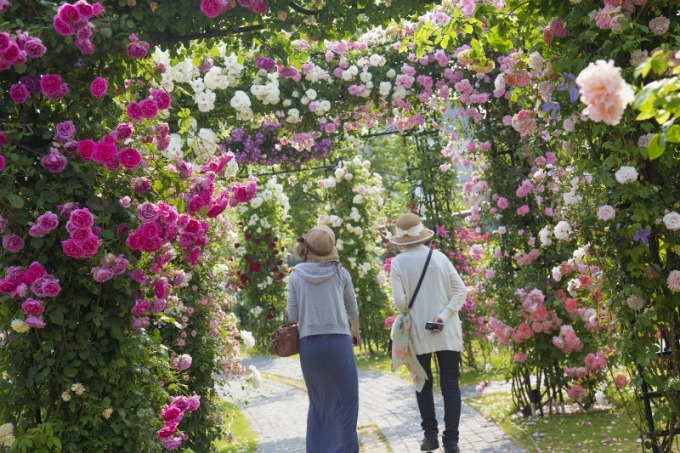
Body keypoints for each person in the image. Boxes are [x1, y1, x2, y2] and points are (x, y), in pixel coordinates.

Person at [389, 213, 468, 453]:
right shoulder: (440, 258)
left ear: (401, 239)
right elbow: (461, 291)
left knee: (422, 383)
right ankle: (452, 442)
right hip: (446, 331)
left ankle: (430, 436)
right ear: (421, 233)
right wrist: (443, 315)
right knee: (450, 385)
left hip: (418, 334)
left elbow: (401, 305)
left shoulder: (398, 264)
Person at [286, 224, 361, 453]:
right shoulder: (340, 272)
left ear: (306, 250)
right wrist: (355, 331)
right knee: (347, 402)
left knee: (319, 404)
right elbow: (352, 307)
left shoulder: (296, 275)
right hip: (339, 343)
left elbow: (293, 316)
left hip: (311, 346)